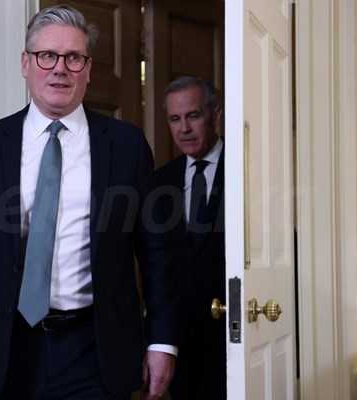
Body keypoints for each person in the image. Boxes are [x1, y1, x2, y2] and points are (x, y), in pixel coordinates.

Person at [0, 5, 177, 400]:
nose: (60, 68)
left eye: (74, 57)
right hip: (9, 348)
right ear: (25, 63)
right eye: (47, 55)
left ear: (88, 69)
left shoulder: (127, 146)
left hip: (96, 351)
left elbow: (156, 255)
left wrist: (162, 342)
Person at [153, 76, 226, 399]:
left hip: (235, 336)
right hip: (181, 343)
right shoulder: (159, 182)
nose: (184, 128)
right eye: (174, 119)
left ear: (215, 114)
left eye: (193, 115)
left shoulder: (247, 168)